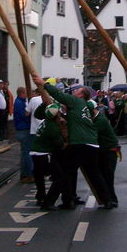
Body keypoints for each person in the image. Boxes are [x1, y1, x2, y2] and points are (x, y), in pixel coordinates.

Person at [32, 75, 113, 209]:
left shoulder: (75, 101)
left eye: (77, 90)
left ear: (81, 95)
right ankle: (107, 200)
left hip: (79, 143)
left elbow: (58, 94)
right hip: (92, 144)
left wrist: (44, 84)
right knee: (94, 173)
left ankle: (50, 202)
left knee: (65, 173)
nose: (74, 91)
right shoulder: (83, 107)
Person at [30, 103, 67, 211]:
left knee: (39, 176)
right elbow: (60, 144)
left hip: (35, 152)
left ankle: (40, 196)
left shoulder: (45, 122)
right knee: (60, 178)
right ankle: (48, 202)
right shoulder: (53, 128)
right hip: (44, 154)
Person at [92, 100, 121, 207]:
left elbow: (91, 132)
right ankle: (105, 198)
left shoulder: (100, 120)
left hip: (109, 150)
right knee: (101, 175)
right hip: (102, 150)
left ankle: (112, 199)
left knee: (108, 175)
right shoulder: (95, 119)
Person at [13, 87, 34, 183]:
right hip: (24, 129)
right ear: (22, 93)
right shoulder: (19, 103)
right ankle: (29, 173)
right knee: (27, 152)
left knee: (24, 152)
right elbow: (24, 115)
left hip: (22, 129)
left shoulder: (20, 102)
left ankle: (25, 174)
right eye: (26, 93)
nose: (27, 95)